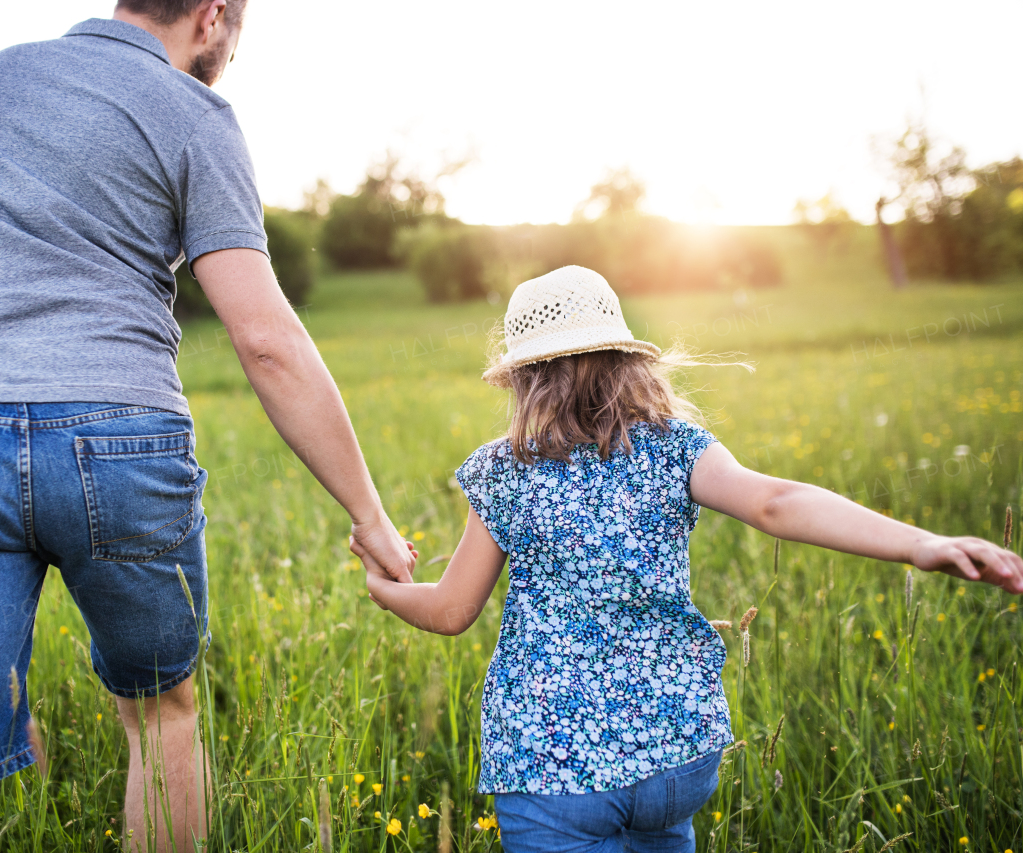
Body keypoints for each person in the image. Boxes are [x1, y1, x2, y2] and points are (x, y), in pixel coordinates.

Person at [0, 2, 414, 851]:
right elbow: (264, 336)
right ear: (213, 17)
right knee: (161, 713)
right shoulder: (191, 110)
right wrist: (369, 515)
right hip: (115, 437)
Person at [355, 266, 1023, 853]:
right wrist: (921, 543)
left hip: (554, 767)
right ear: (624, 359)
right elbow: (777, 503)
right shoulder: (677, 449)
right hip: (677, 758)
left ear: (524, 377)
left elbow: (449, 610)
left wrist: (381, 585)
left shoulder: (507, 470)